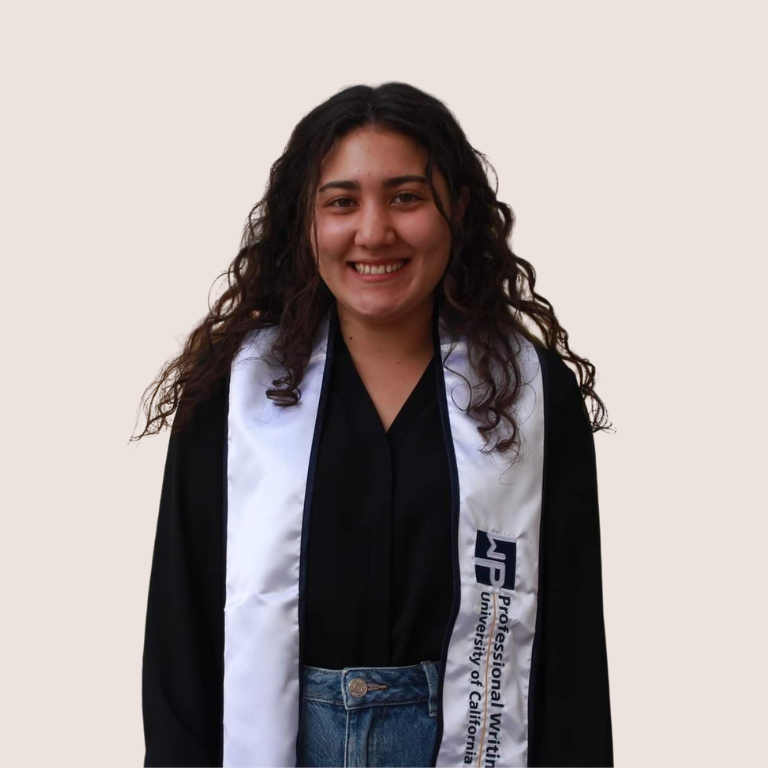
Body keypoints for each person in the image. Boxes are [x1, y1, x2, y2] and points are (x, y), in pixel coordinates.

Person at [134, 81, 614, 768]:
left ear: (458, 210)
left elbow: (570, 645)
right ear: (306, 221)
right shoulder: (232, 395)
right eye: (341, 202)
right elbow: (181, 632)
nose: (373, 231)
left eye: (406, 197)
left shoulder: (530, 394)